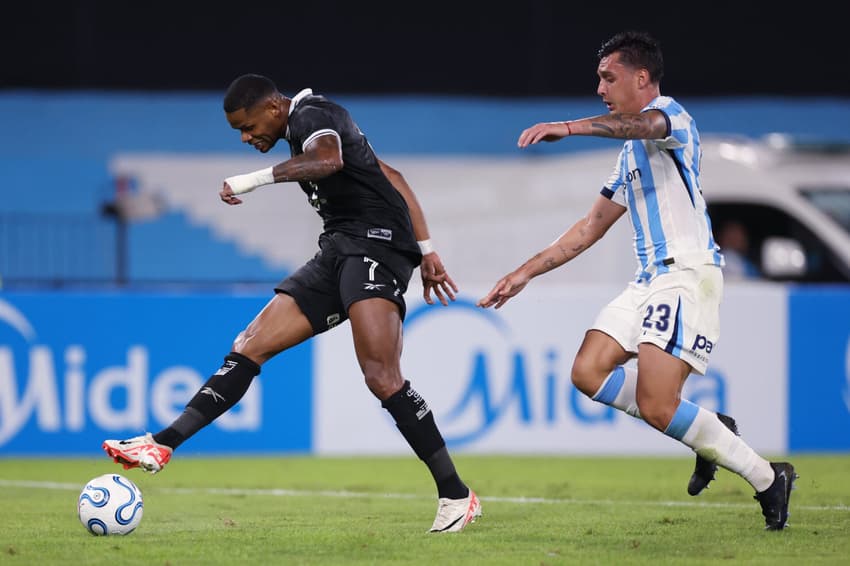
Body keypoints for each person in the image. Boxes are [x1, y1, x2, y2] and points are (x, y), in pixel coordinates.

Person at [103, 74, 481, 533]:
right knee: (249, 344)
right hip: (338, 249)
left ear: (272, 107)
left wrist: (252, 180)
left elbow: (327, 160)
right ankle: (160, 444)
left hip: (376, 246)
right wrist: (428, 250)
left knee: (382, 376)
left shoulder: (312, 114)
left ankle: (456, 495)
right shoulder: (306, 123)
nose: (246, 138)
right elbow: (392, 176)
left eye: (246, 126)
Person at [477, 31, 796, 530]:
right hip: (648, 283)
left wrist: (569, 127)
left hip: (687, 276)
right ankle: (709, 430)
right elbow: (588, 228)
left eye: (609, 77)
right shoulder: (629, 159)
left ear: (641, 77)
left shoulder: (672, 119)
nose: (600, 87)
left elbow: (643, 123)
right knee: (588, 372)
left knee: (655, 404)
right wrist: (522, 273)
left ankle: (767, 477)